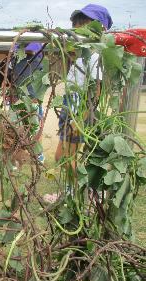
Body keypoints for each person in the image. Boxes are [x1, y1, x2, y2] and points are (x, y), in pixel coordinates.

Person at [44, 4, 113, 203]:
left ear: (101, 30)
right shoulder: (83, 55)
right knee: (67, 157)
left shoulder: (95, 56)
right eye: (77, 24)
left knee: (64, 157)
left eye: (85, 24)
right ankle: (73, 193)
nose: (78, 28)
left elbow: (96, 91)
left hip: (79, 109)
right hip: (71, 106)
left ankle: (90, 193)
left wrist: (79, 119)